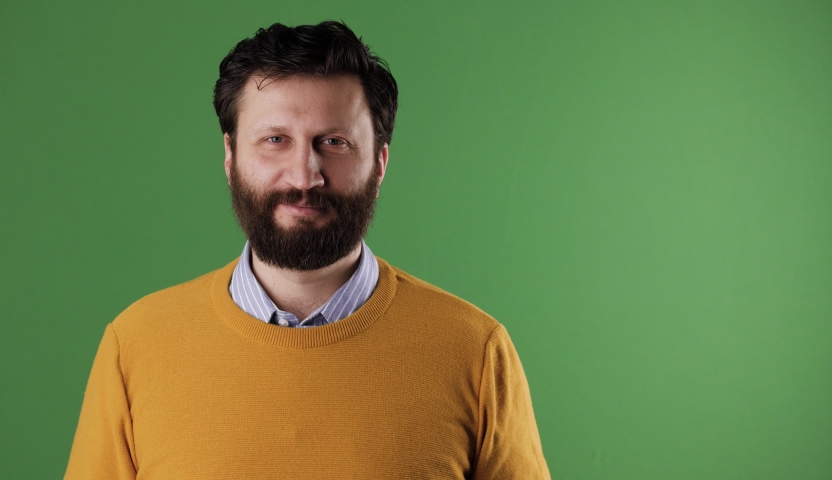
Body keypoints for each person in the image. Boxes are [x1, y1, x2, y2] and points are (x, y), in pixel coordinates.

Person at [65, 21, 550, 479]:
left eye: (334, 142)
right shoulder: (135, 346)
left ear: (380, 163)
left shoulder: (475, 351)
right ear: (230, 157)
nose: (303, 176)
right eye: (275, 140)